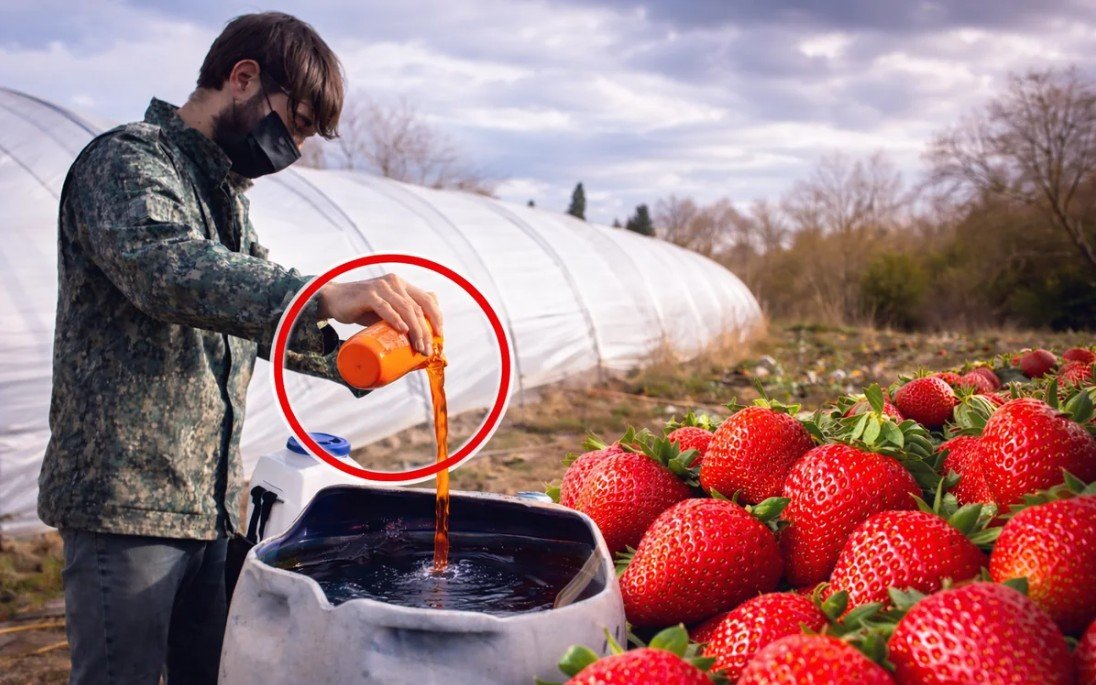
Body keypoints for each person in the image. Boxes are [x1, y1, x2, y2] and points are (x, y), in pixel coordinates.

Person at [36, 12, 443, 684]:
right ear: (244, 77)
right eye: (296, 124)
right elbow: (168, 271)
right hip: (127, 507)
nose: (295, 149)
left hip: (209, 501)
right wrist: (324, 293)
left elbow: (250, 312)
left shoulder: (221, 193)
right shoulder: (128, 162)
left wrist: (358, 357)